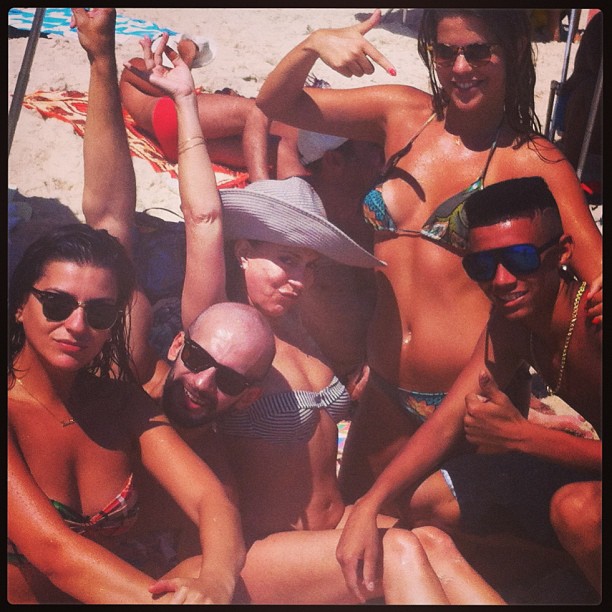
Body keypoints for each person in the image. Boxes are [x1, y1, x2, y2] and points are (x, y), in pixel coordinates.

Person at [120, 33, 508, 605]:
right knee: (402, 550)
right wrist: (184, 101)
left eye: (305, 264)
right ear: (243, 252)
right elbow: (203, 217)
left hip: (330, 533)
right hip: (256, 552)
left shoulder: (307, 333)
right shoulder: (221, 333)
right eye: (282, 260)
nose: (296, 278)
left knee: (433, 542)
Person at [255, 7, 603, 508]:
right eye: (446, 52)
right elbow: (276, 103)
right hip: (384, 389)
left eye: (478, 51)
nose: (460, 67)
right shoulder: (400, 114)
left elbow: (594, 271)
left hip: (471, 402)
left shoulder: (535, 161)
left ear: (510, 53)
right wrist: (313, 45)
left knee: (437, 534)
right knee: (350, 521)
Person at [6, 10, 252, 605]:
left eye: (99, 313)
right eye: (56, 303)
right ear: (19, 306)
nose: (77, 324)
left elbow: (213, 501)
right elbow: (56, 555)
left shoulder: (116, 398)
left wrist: (216, 581)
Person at [335, 176, 601, 601]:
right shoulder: (512, 325)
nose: (501, 279)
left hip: (585, 487)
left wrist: (524, 437)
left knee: (578, 512)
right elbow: (446, 421)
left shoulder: (595, 320)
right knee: (425, 498)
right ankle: (573, 570)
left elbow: (522, 439)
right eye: (482, 266)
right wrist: (370, 503)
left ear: (562, 252)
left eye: (519, 258)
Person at [119, 35, 305, 181]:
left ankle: (299, 203)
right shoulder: (134, 66)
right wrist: (187, 56)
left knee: (281, 149)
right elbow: (171, 88)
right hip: (172, 116)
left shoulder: (134, 80)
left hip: (181, 146)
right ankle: (262, 188)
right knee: (256, 111)